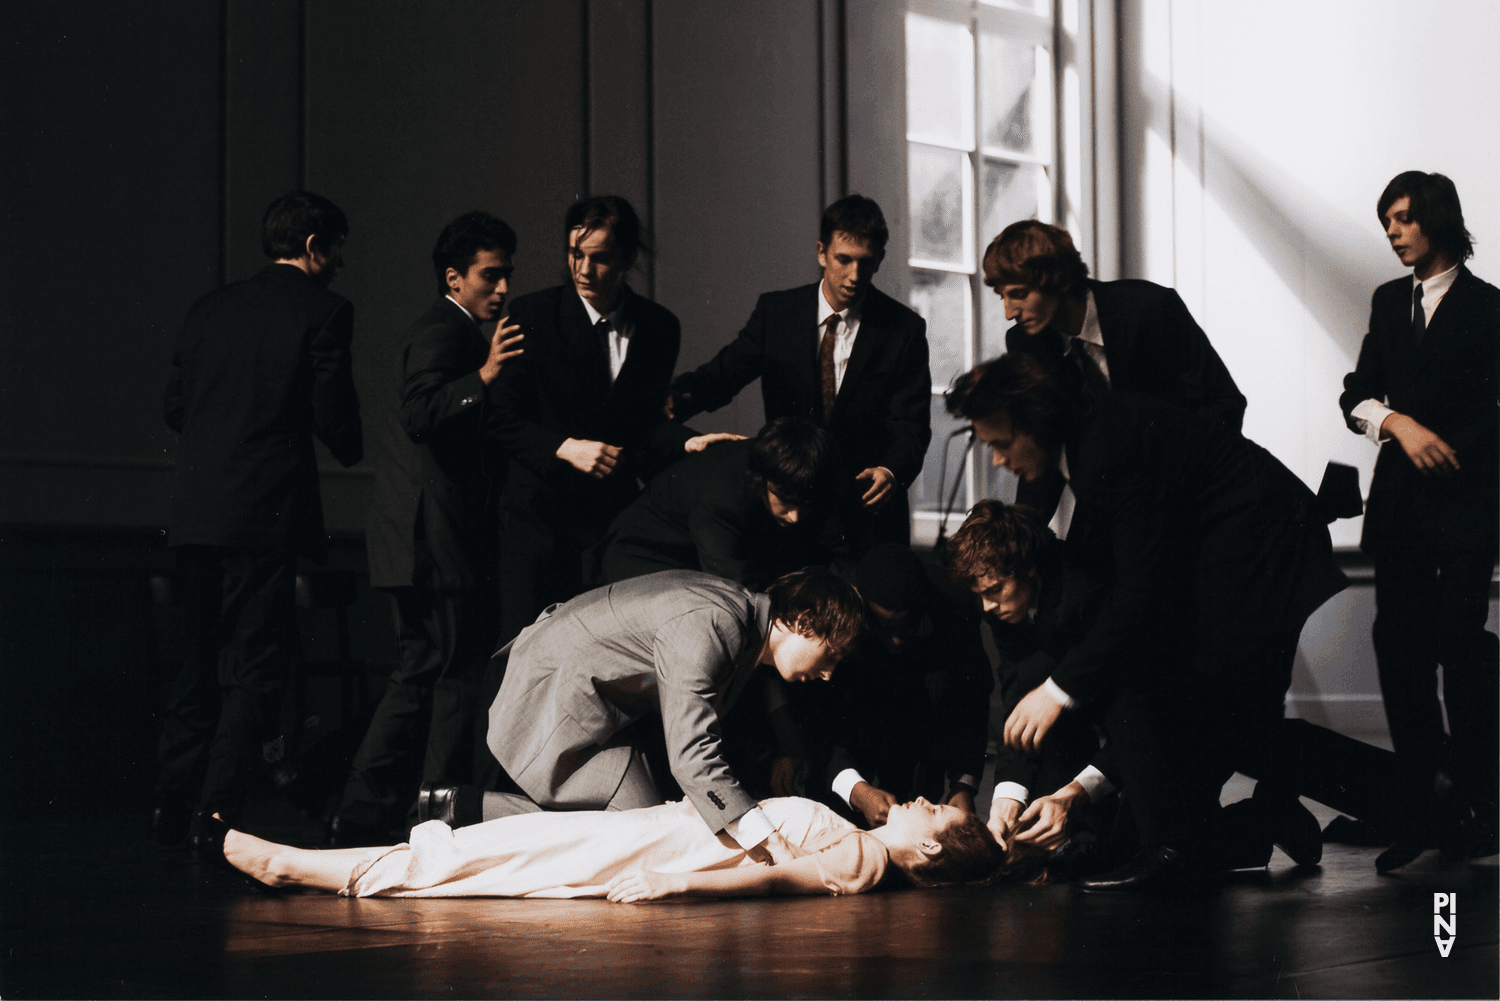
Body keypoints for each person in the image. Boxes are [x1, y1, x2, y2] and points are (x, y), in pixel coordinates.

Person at [948, 352, 1353, 889]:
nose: (997, 462)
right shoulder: (1072, 457)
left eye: (1000, 443)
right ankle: (1241, 824)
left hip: (1267, 545)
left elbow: (1141, 599)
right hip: (1229, 554)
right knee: (1218, 720)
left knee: (1220, 712)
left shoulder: (1107, 450)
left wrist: (1062, 692)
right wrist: (1011, 796)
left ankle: (1175, 844)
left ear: (1035, 423)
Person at [154, 191, 363, 855]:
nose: (339, 263)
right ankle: (214, 812)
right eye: (335, 250)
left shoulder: (207, 309)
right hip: (264, 519)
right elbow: (336, 420)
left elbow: (175, 408)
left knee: (193, 667)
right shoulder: (325, 311)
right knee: (254, 668)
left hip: (193, 518)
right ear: (312, 247)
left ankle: (173, 802)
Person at [444, 568, 865, 868]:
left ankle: (464, 807)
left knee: (645, 829)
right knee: (646, 836)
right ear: (803, 622)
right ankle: (467, 809)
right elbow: (692, 755)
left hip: (581, 699)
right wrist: (764, 834)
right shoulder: (716, 624)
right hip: (549, 702)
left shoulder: (736, 615)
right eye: (832, 655)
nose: (828, 673)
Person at [329, 212, 524, 846]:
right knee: (443, 679)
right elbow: (419, 413)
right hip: (432, 545)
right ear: (454, 278)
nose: (502, 290)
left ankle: (371, 811)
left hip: (420, 543)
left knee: (424, 675)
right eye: (490, 277)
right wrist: (485, 378)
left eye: (506, 276)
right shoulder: (446, 331)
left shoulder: (454, 329)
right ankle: (426, 818)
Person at [1338, 171, 1499, 861]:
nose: (1393, 233)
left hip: (1467, 508)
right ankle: (1421, 803)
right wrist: (1399, 423)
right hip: (1400, 510)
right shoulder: (1386, 301)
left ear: (1437, 219)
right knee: (1398, 653)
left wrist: (1450, 449)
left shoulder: (1491, 308)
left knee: (1461, 652)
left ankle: (1479, 808)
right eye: (1387, 222)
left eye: (1403, 218)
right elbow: (1355, 395)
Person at [489, 196, 722, 649]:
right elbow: (499, 419)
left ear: (628, 259)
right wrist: (565, 447)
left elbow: (642, 426)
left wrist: (688, 444)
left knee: (598, 659)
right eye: (575, 254)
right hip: (535, 523)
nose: (583, 269)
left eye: (600, 258)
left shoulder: (658, 326)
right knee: (518, 657)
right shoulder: (530, 315)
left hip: (606, 527)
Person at [668, 194, 931, 549]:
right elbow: (724, 375)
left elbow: (911, 425)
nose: (854, 276)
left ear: (880, 260)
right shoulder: (778, 312)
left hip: (864, 512)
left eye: (866, 263)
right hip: (790, 505)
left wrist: (891, 471)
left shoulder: (904, 330)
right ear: (822, 252)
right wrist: (670, 403)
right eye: (844, 259)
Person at [219, 795, 1009, 899]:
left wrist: (678, 886)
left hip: (655, 848)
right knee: (492, 849)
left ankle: (290, 862)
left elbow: (779, 881)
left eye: (934, 812)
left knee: (479, 858)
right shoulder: (871, 834)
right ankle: (306, 863)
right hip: (650, 829)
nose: (919, 800)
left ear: (931, 853)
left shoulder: (866, 859)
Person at [983, 220, 1245, 518]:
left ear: (1057, 279)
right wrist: (1020, 530)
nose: (1008, 313)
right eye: (1001, 297)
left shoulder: (1151, 309)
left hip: (1190, 498)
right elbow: (1046, 441)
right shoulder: (1025, 343)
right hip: (1106, 508)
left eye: (1018, 294)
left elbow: (1224, 404)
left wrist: (1180, 488)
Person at [810, 544, 993, 828]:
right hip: (857, 699)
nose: (895, 640)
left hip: (923, 711)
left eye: (906, 626)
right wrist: (856, 790)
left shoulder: (954, 607)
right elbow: (822, 717)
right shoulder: (834, 605)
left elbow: (972, 702)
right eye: (884, 626)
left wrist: (963, 786)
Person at [599, 416, 839, 590]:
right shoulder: (722, 501)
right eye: (786, 501)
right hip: (644, 556)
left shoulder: (808, 474)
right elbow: (739, 592)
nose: (795, 517)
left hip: (703, 548)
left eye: (805, 504)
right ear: (762, 480)